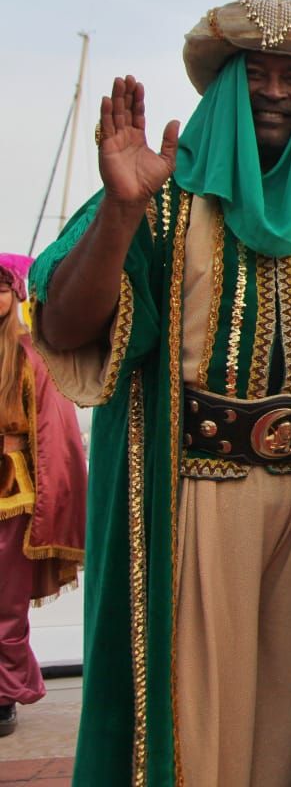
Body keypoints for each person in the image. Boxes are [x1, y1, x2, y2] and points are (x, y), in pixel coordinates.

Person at [29, 0, 291, 785]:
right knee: (194, 719)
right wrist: (120, 211)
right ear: (226, 88)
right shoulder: (161, 203)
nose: (274, 92)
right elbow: (63, 328)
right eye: (255, 74)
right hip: (191, 490)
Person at [0, 255, 85, 738]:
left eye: (1, 287)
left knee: (6, 605)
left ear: (16, 295)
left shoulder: (29, 357)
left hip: (11, 499)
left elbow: (55, 436)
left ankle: (4, 693)